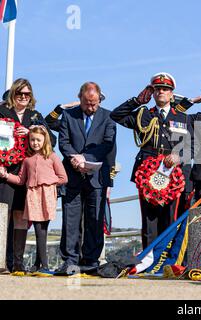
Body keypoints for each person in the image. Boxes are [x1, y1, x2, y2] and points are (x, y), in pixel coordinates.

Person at [111, 72, 192, 249]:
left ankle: (167, 259)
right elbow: (116, 116)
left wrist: (179, 156)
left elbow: (192, 147)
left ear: (172, 93)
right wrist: (137, 101)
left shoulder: (183, 118)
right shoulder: (144, 114)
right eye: (157, 89)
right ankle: (149, 259)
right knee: (150, 219)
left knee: (171, 217)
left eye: (165, 89)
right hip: (148, 172)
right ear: (153, 93)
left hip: (173, 173)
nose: (161, 92)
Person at [56, 82, 117, 275]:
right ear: (80, 98)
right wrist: (75, 158)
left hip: (97, 177)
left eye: (94, 103)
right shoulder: (68, 115)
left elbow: (108, 145)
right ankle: (70, 261)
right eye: (87, 103)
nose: (90, 107)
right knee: (70, 219)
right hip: (72, 175)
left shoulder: (108, 117)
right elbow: (63, 142)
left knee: (94, 220)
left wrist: (86, 158)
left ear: (100, 99)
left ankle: (90, 260)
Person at [0, 78, 55, 273]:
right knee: (3, 215)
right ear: (13, 93)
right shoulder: (1, 111)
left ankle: (17, 263)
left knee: (21, 217)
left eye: (27, 94)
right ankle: (2, 261)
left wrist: (33, 130)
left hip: (28, 171)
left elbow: (51, 140)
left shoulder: (35, 116)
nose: (23, 97)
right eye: (20, 93)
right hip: (4, 171)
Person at [0, 125, 68, 273]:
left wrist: (47, 182)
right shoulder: (27, 160)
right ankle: (41, 265)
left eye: (38, 140)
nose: (35, 143)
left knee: (42, 229)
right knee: (38, 228)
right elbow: (20, 180)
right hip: (32, 196)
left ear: (45, 140)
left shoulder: (52, 157)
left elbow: (63, 178)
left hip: (47, 195)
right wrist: (5, 175)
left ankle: (42, 265)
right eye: (32, 140)